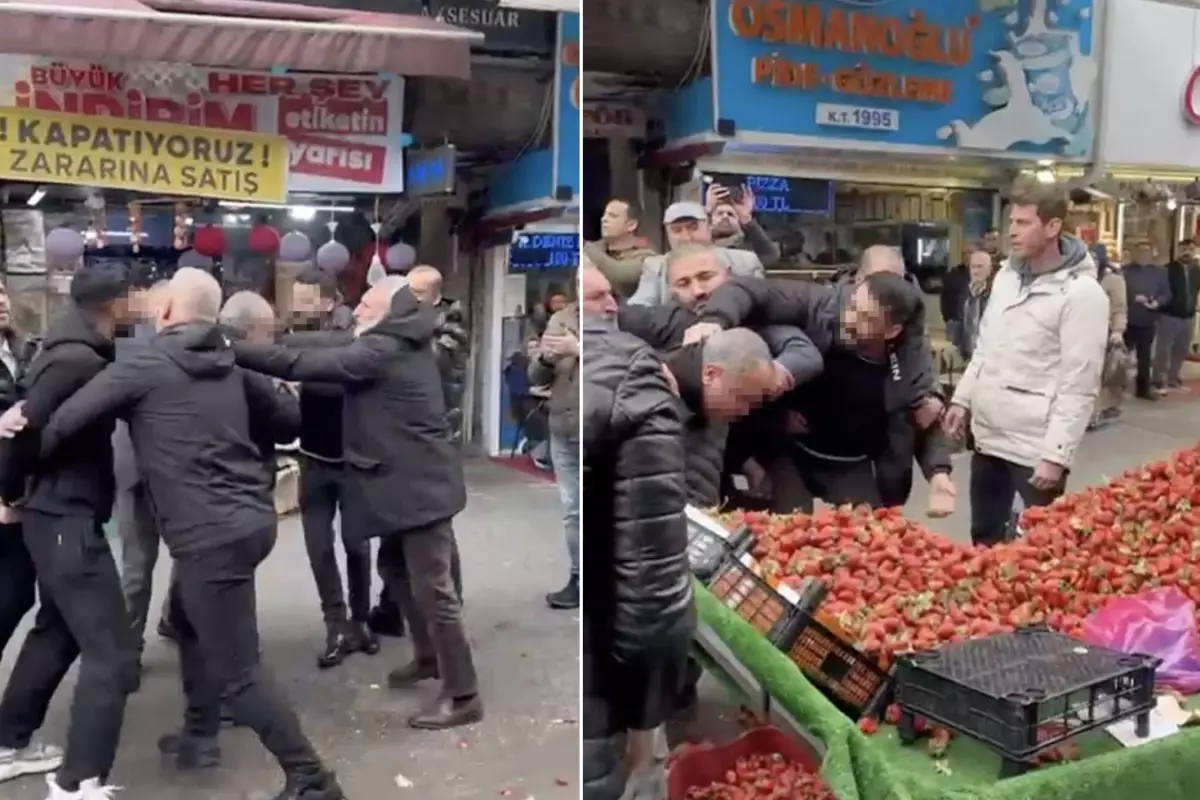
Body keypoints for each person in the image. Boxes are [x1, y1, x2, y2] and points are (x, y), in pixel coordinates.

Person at [2, 268, 341, 799]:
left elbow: (60, 427)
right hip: (251, 522)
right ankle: (200, 735)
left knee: (240, 671)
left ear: (164, 314)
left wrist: (15, 455)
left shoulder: (143, 365)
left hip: (208, 536)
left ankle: (310, 776)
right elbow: (287, 421)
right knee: (186, 622)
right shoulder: (233, 362)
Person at [230, 276, 481, 730]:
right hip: (407, 483)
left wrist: (228, 349)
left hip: (417, 489)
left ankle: (463, 694)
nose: (358, 309)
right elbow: (323, 341)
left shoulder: (381, 350)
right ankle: (428, 658)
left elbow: (296, 361)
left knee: (435, 591)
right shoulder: (397, 337)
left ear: (388, 312)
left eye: (367, 303)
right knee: (397, 572)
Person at [0, 264, 140, 799]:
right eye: (136, 301)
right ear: (116, 305)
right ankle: (78, 782)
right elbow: (24, 430)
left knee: (58, 630)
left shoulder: (80, 347)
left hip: (60, 513)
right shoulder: (74, 360)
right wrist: (10, 492)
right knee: (113, 651)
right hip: (62, 518)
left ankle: (10, 740)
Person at [943, 185, 1109, 546]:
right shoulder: (1005, 277)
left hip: (1035, 449)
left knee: (1037, 552)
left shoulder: (1081, 294)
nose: (1012, 231)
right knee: (984, 540)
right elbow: (985, 347)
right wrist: (962, 400)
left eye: (1023, 222)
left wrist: (1056, 455)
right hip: (988, 440)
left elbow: (1079, 384)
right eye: (1011, 221)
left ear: (1052, 227)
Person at [581, 314, 695, 800]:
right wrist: (646, 704)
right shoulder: (638, 374)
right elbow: (652, 576)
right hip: (600, 654)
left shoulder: (612, 369)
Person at [286, 271, 383, 665]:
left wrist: (295, 367)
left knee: (356, 543)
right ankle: (336, 623)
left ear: (329, 301)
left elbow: (339, 356)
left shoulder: (352, 333)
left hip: (350, 459)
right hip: (313, 456)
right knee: (318, 546)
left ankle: (359, 621)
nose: (296, 306)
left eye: (305, 298)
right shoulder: (297, 332)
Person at [530, 275, 581, 611]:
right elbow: (536, 376)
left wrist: (578, 349)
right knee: (572, 510)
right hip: (563, 424)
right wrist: (546, 359)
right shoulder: (561, 319)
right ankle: (578, 579)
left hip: (602, 425)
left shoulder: (618, 316)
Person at [628, 202, 765, 306]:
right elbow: (639, 308)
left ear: (709, 226)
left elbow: (764, 306)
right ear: (667, 234)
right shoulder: (655, 266)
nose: (686, 237)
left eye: (693, 228)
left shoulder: (745, 262)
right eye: (677, 230)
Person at [1121, 241, 1170, 400]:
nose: (1143, 254)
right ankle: (1116, 387)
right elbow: (1117, 293)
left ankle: (1143, 388)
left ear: (1151, 253)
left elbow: (1167, 294)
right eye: (1140, 251)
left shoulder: (1160, 272)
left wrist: (1156, 303)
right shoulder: (1125, 271)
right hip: (1127, 319)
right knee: (1120, 356)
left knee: (1145, 357)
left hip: (1148, 320)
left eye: (1146, 251)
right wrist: (1133, 298)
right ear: (1134, 253)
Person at [583, 198, 658, 299]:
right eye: (604, 215)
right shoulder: (595, 248)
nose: (604, 219)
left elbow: (622, 275)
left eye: (612, 216)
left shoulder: (647, 256)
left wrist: (585, 247)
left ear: (631, 225)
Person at [1155, 238, 1199, 392]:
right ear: (1179, 250)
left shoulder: (1196, 270)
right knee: (1164, 350)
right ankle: (1159, 380)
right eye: (1184, 249)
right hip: (1169, 316)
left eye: (1191, 250)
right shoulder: (1167, 269)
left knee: (1181, 349)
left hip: (1188, 316)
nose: (1187, 252)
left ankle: (1174, 377)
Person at [1093, 247, 1129, 427]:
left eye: (1094, 259)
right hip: (1080, 333)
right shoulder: (1078, 277)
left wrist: (1117, 331)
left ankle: (1099, 411)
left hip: (1103, 334)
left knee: (1103, 375)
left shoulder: (1113, 280)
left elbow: (1119, 308)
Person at [705, 183, 781, 267]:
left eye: (730, 214)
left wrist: (746, 219)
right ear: (711, 219)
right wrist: (707, 211)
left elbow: (770, 255)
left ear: (738, 221)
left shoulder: (746, 251)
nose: (725, 216)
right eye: (720, 213)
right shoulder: (700, 244)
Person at [951, 247, 995, 362]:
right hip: (968, 355)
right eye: (973, 267)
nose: (976, 271)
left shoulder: (996, 295)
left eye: (980, 267)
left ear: (989, 269)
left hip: (989, 356)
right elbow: (959, 321)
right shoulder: (963, 294)